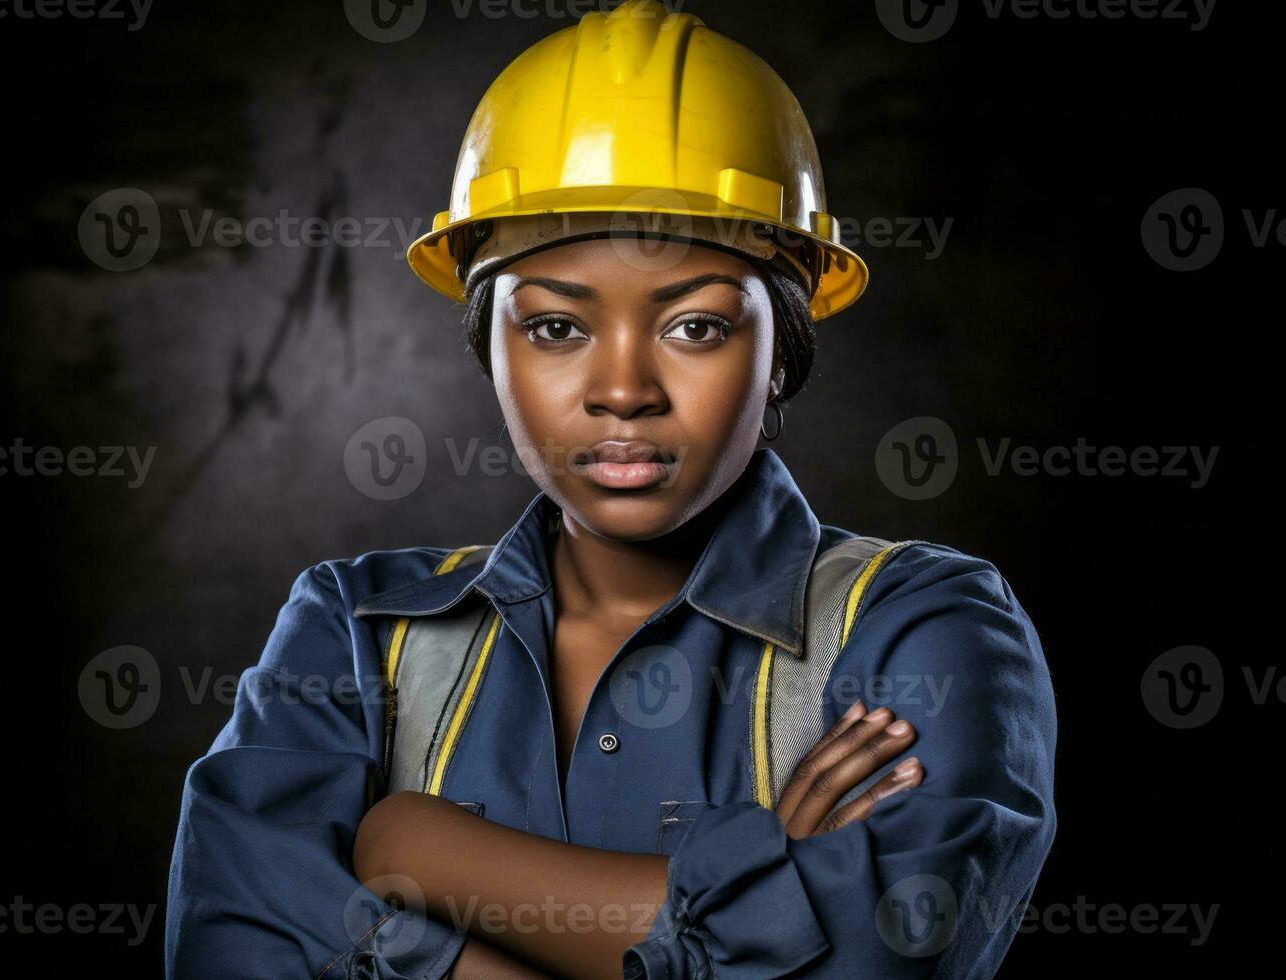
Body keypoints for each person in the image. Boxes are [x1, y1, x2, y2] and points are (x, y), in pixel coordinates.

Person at [165, 2, 1056, 977]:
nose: (622, 389)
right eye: (554, 327)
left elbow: (884, 957)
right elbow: (231, 948)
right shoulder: (354, 627)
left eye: (695, 327)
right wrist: (762, 895)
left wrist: (413, 848)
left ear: (781, 349)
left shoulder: (922, 627)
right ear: (487, 343)